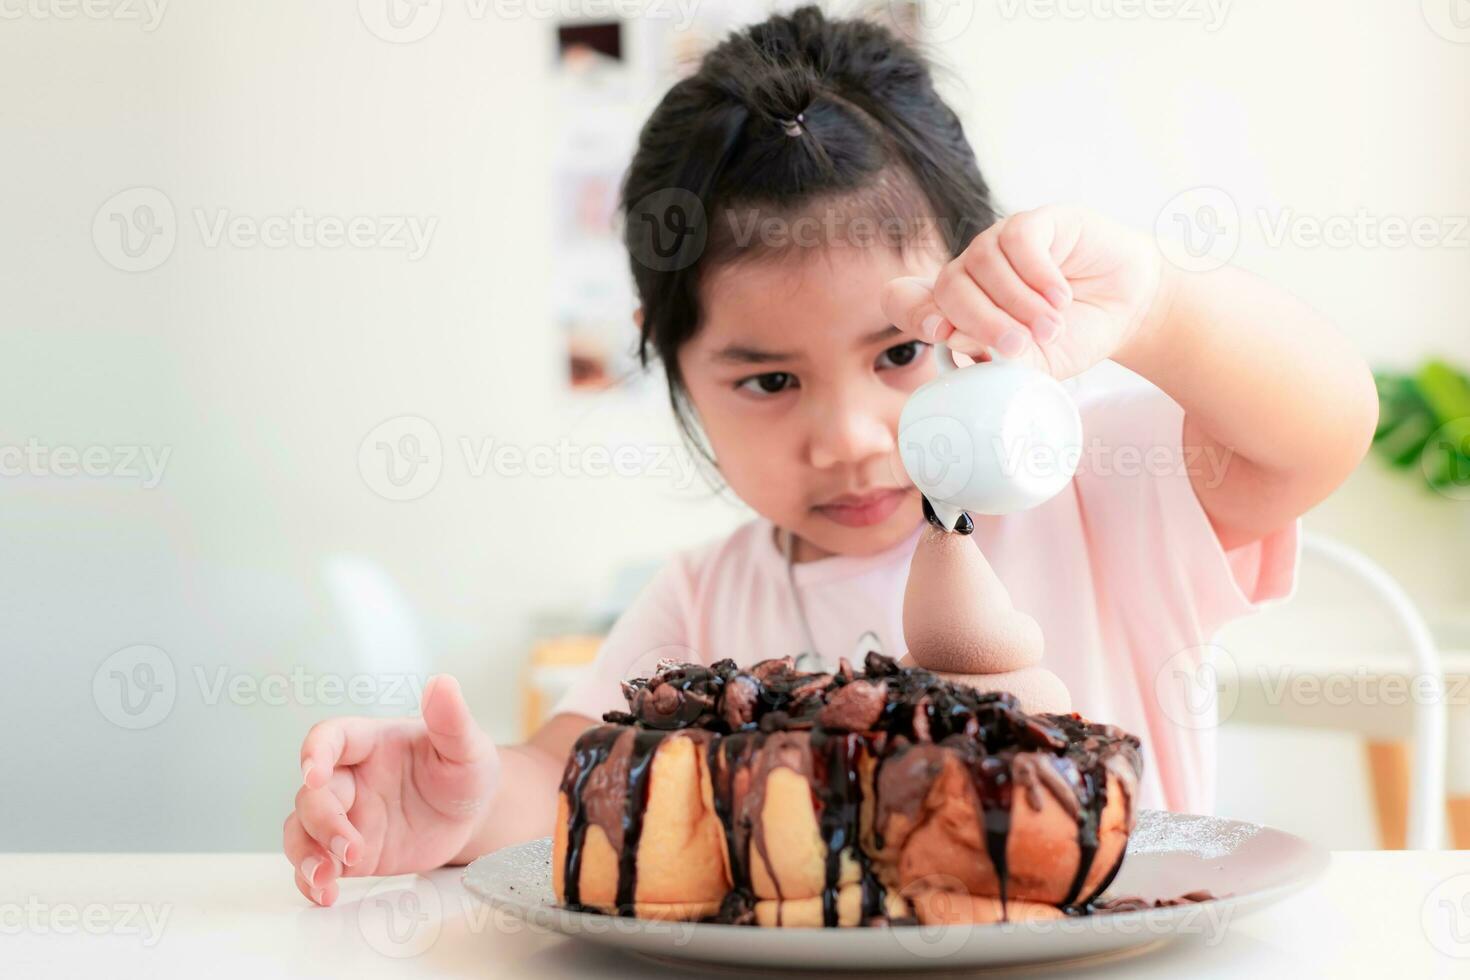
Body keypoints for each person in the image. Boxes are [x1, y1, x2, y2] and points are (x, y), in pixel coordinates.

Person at [282, 6, 1376, 906]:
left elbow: (1318, 431)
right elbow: (569, 783)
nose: (851, 436)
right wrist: (467, 802)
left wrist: (1160, 307)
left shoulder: (1098, 489)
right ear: (670, 367)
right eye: (768, 379)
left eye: (900, 349)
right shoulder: (705, 604)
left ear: (983, 296)